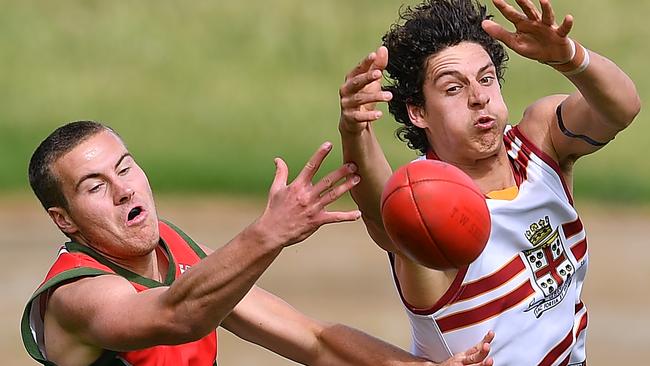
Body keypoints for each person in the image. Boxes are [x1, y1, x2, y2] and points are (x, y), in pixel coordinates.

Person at [21, 121, 496, 366]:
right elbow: (177, 316)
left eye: (124, 167)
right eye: (94, 186)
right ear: (64, 220)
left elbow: (314, 341)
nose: (123, 188)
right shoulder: (78, 296)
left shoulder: (175, 250)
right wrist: (269, 233)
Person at [338, 0, 640, 364]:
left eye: (486, 78)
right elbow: (379, 208)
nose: (479, 97)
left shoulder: (539, 144)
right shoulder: (425, 204)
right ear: (418, 112)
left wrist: (570, 57)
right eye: (453, 89)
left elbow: (623, 108)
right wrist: (354, 128)